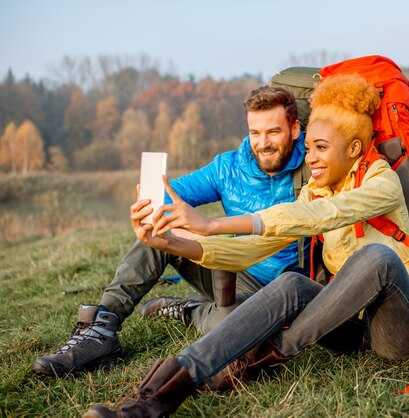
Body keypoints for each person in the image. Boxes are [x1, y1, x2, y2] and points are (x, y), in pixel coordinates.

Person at [84, 74, 409, 418]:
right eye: (309, 148)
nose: (310, 159)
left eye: (321, 149)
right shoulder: (315, 187)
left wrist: (212, 223)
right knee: (292, 285)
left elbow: (322, 215)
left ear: (354, 148)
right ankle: (154, 398)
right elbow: (250, 249)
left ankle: (262, 356)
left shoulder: (381, 181)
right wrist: (173, 243)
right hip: (349, 327)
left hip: (397, 333)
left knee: (377, 257)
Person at [32, 86, 309, 377]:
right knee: (158, 230)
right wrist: (153, 214)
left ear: (293, 129)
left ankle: (188, 310)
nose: (263, 143)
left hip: (277, 291)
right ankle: (101, 328)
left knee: (232, 331)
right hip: (227, 269)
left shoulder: (313, 166)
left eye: (273, 132)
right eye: (255, 132)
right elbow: (166, 196)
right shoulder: (229, 167)